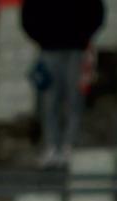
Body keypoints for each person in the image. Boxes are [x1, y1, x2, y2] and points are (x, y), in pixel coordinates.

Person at [21, 0, 105, 168]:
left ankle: (69, 146)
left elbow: (97, 12)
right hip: (50, 50)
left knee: (75, 99)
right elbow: (27, 17)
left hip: (77, 50)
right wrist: (42, 39)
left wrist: (84, 37)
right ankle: (52, 146)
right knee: (50, 101)